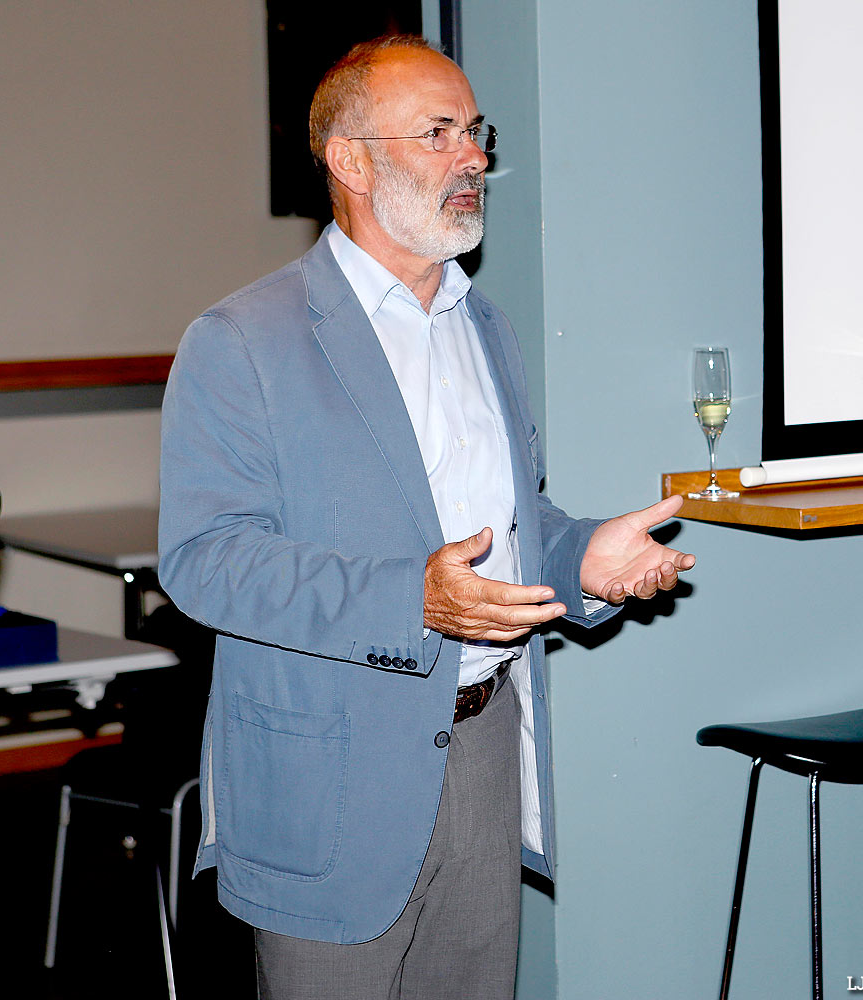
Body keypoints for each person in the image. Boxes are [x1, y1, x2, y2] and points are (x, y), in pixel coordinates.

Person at [158, 34, 695, 999]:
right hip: (333, 779)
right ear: (351, 159)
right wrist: (413, 601)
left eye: (475, 131)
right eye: (439, 133)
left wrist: (582, 562)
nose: (475, 156)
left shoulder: (482, 324)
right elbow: (206, 559)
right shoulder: (242, 339)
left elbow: (508, 520)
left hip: (485, 751)